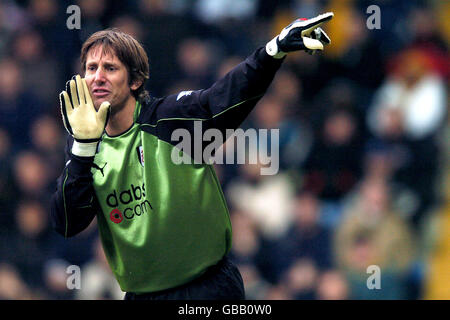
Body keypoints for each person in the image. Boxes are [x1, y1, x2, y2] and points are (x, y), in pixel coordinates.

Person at [50, 12, 334, 300]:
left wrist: (273, 51)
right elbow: (67, 223)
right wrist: (83, 147)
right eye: (91, 68)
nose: (98, 77)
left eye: (110, 68)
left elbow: (225, 96)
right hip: (142, 295)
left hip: (206, 289)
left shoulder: (170, 119)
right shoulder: (84, 148)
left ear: (135, 81)